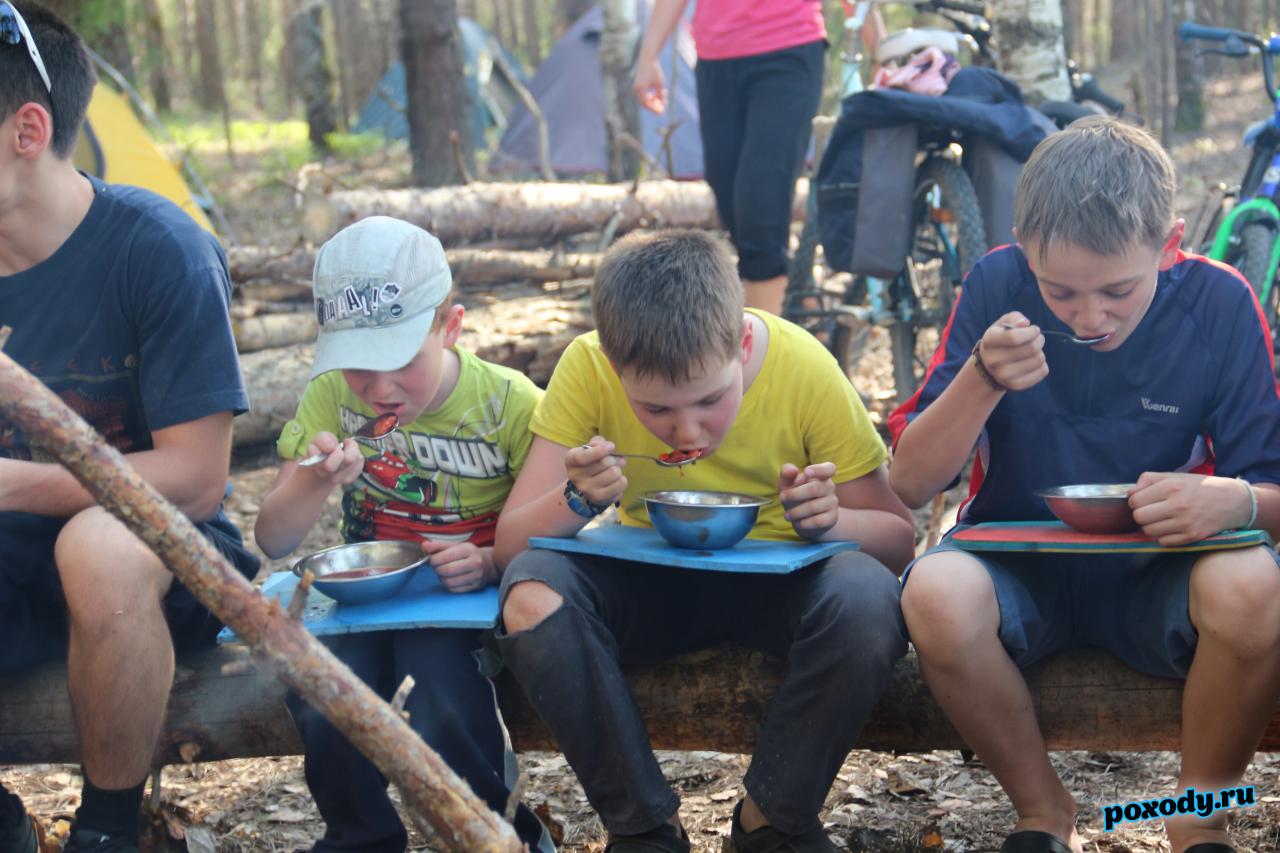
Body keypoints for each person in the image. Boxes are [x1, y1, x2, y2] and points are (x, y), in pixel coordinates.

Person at [888, 116, 1280, 853]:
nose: (1089, 315)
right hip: (1017, 569)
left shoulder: (1219, 303)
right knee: (933, 593)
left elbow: (1269, 489)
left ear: (1171, 244)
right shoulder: (996, 283)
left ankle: (1201, 817)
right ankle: (1042, 811)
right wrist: (981, 377)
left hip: (1163, 571)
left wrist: (1237, 500)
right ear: (1023, 246)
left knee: (1256, 584)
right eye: (1060, 291)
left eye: (1118, 290)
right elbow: (910, 480)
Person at [493, 228, 915, 853]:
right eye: (655, 410)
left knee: (868, 600)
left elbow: (899, 540)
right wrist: (575, 499)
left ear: (743, 342)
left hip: (784, 584)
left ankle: (771, 821)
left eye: (711, 400)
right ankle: (643, 831)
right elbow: (510, 546)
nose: (686, 429)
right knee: (532, 593)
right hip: (649, 580)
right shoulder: (587, 366)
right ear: (614, 365)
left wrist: (833, 521)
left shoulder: (803, 367)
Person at [0, 4, 260, 852]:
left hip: (159, 553)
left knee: (97, 545)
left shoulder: (158, 250)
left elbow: (195, 477)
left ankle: (109, 831)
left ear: (27, 129)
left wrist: (18, 486)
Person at [254, 216, 553, 853]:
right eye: (358, 366)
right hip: (363, 603)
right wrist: (315, 481)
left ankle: (501, 838)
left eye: (400, 363)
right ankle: (360, 838)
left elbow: (557, 530)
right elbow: (274, 538)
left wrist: (492, 562)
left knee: (439, 685)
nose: (379, 388)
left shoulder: (512, 406)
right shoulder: (332, 399)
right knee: (323, 684)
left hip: (463, 604)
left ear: (451, 327)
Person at [633, 0, 884, 317]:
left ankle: (761, 356)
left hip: (789, 51)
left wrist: (878, 48)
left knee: (759, 206)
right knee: (728, 194)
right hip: (715, 60)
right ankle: (799, 307)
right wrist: (648, 55)